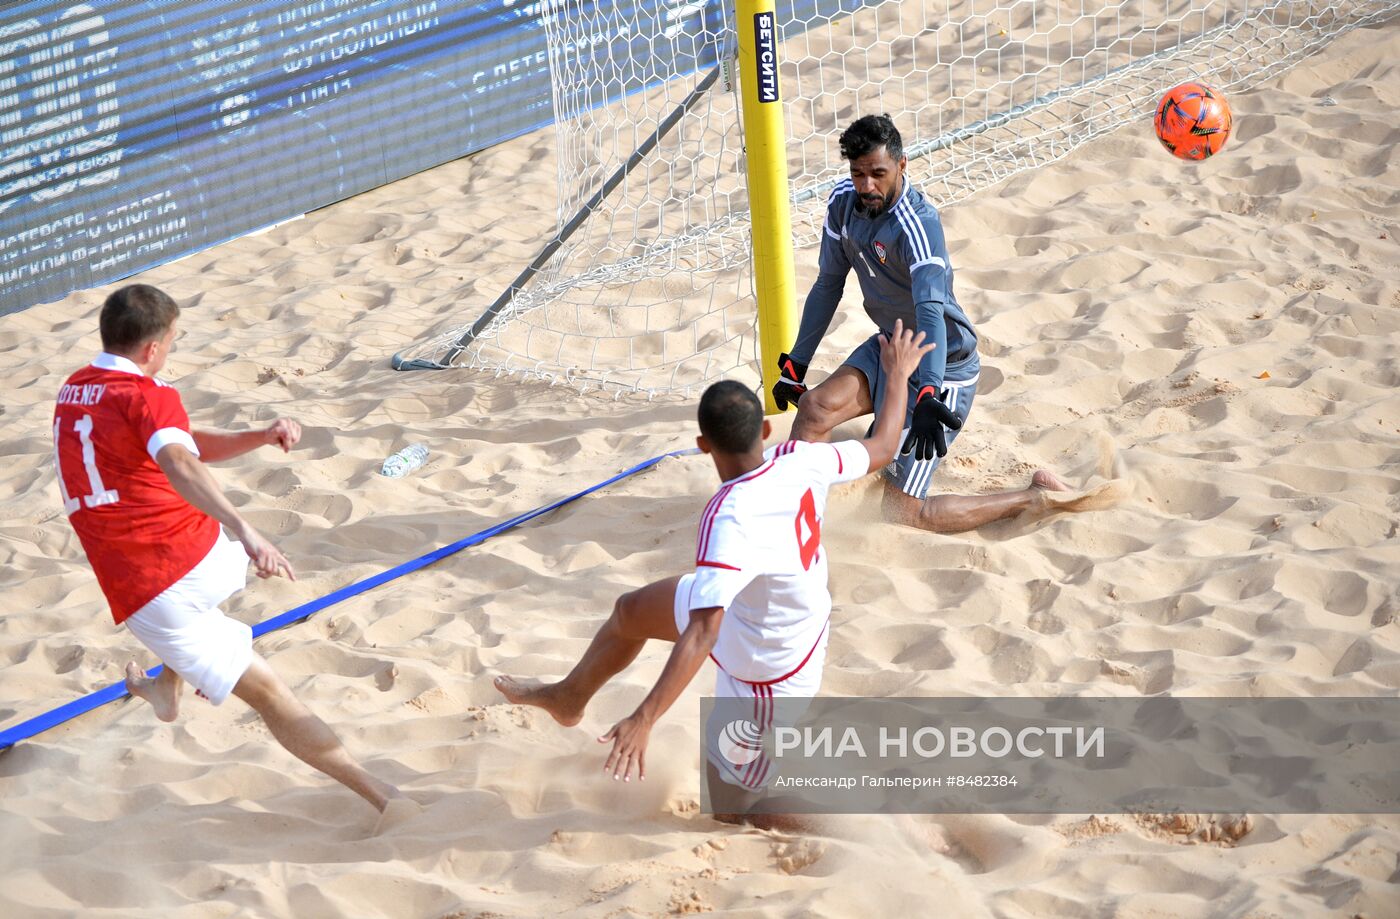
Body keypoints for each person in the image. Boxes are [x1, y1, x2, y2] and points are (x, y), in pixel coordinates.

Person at [494, 320, 936, 825]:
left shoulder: (728, 515)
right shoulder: (799, 457)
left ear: (704, 445)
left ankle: (860, 819)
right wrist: (897, 374)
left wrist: (644, 718)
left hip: (772, 659)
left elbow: (704, 632)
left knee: (733, 809)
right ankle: (568, 698)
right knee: (630, 612)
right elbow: (882, 446)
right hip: (764, 605)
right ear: (766, 431)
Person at [52, 284, 402, 816]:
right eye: (172, 340)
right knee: (222, 654)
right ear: (152, 349)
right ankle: (168, 689)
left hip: (157, 583)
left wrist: (256, 448)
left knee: (269, 695)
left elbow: (182, 450)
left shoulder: (74, 388)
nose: (171, 349)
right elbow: (181, 458)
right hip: (205, 556)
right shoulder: (149, 395)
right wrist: (244, 526)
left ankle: (384, 799)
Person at [773, 114, 1104, 533]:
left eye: (878, 173)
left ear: (902, 164)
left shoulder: (919, 224)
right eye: (858, 174)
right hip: (891, 346)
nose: (866, 186)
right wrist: (797, 363)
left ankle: (1034, 496)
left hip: (942, 363)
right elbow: (827, 285)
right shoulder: (843, 202)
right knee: (814, 407)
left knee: (902, 513)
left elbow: (929, 310)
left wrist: (928, 390)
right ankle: (795, 527)